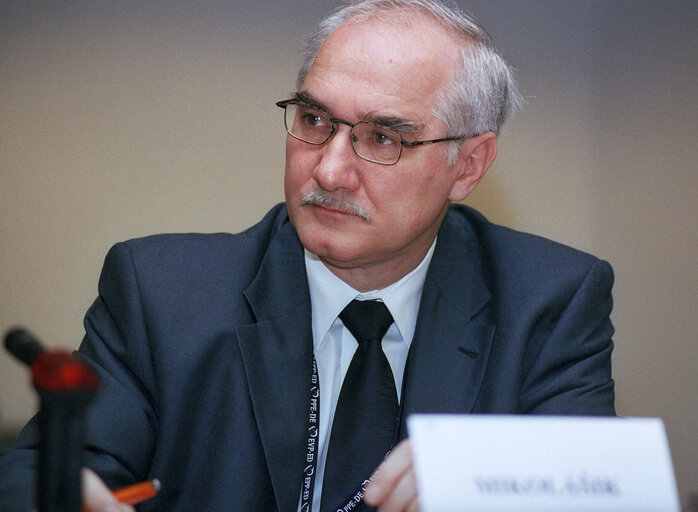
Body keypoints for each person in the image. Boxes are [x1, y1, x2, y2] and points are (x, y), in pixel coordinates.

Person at [0, 0, 616, 511]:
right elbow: (36, 477)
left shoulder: (549, 299)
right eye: (316, 119)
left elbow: (603, 487)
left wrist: (484, 476)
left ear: (470, 164)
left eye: (383, 137)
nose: (329, 168)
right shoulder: (158, 293)